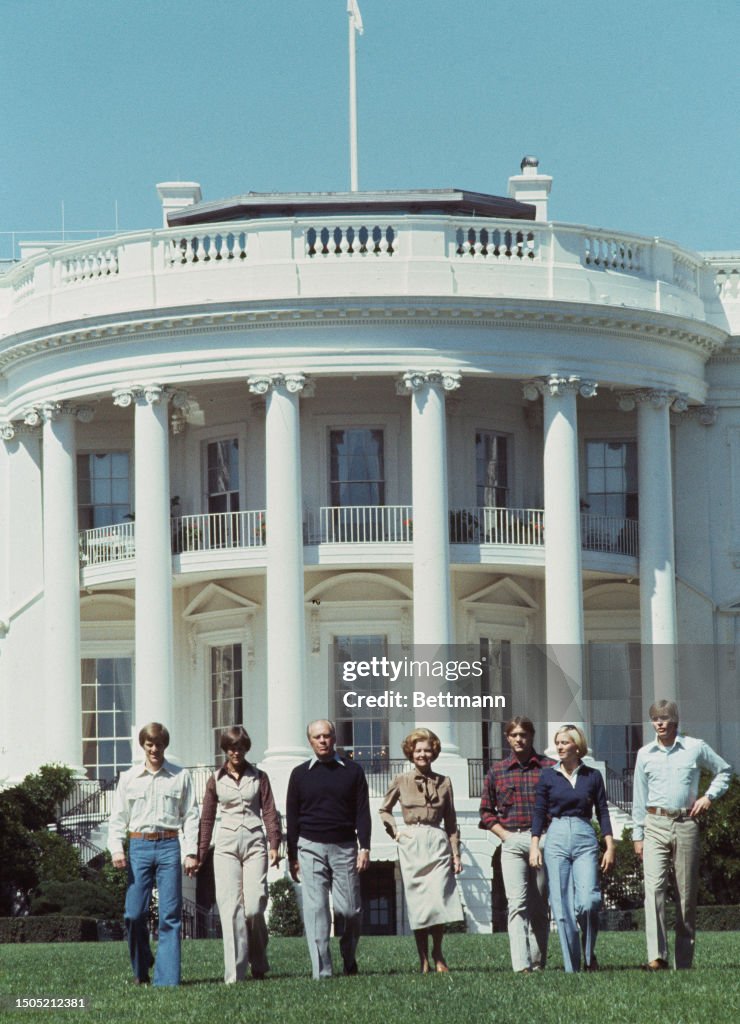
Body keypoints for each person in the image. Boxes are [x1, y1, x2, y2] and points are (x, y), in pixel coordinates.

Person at [632, 699, 733, 971]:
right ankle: (657, 957)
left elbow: (724, 770)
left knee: (685, 894)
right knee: (653, 890)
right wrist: (637, 835)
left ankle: (684, 962)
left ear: (675, 720)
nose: (660, 723)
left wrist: (708, 797)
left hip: (686, 823)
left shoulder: (694, 747)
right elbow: (639, 797)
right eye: (655, 719)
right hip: (654, 824)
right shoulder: (645, 754)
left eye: (665, 718)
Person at [108, 722, 199, 986]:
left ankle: (167, 980)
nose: (154, 749)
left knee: (170, 915)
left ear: (164, 746)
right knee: (133, 914)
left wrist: (191, 852)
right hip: (139, 847)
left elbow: (191, 816)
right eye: (150, 744)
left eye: (159, 744)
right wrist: (116, 848)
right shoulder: (129, 778)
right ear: (143, 746)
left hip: (170, 846)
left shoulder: (180, 776)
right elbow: (118, 817)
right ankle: (142, 966)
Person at [286, 719, 371, 979]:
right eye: (317, 737)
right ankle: (322, 972)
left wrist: (365, 847)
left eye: (327, 736)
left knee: (350, 911)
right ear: (310, 741)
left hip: (344, 847)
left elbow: (363, 812)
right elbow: (292, 817)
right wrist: (292, 856)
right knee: (316, 911)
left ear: (334, 738)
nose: (322, 741)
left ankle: (348, 956)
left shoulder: (353, 771)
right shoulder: (299, 774)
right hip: (310, 847)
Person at [197, 726, 281, 983]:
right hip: (226, 846)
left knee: (254, 906)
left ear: (246, 749)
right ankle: (235, 974)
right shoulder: (215, 779)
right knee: (231, 908)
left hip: (255, 843)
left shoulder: (259, 777)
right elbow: (207, 818)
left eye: (241, 747)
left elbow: (270, 811)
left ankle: (259, 960)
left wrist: (274, 843)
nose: (236, 752)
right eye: (232, 748)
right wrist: (201, 853)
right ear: (225, 749)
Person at [529, 724, 615, 973]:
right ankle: (572, 967)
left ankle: (588, 955)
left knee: (588, 901)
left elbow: (603, 811)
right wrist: (535, 845)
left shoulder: (592, 776)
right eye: (557, 743)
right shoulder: (548, 776)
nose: (559, 747)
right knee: (562, 907)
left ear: (577, 746)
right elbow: (539, 812)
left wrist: (610, 846)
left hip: (584, 835)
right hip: (556, 836)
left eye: (564, 742)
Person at [379, 728, 464, 974]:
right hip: (412, 842)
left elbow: (451, 821)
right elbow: (384, 810)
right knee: (419, 904)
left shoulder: (444, 782)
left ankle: (438, 953)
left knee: (437, 900)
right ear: (411, 752)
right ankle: (423, 958)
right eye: (418, 750)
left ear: (434, 752)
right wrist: (396, 832)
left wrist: (456, 854)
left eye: (427, 750)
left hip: (437, 840)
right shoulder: (401, 780)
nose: (422, 754)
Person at [478, 716, 555, 973]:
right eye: (514, 735)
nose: (519, 739)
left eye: (523, 734)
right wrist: (505, 836)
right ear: (507, 738)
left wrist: (547, 837)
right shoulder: (497, 771)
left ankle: (537, 962)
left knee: (539, 905)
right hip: (512, 840)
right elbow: (486, 811)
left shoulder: (549, 768)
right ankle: (521, 965)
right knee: (517, 904)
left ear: (532, 736)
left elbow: (558, 805)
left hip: (542, 840)